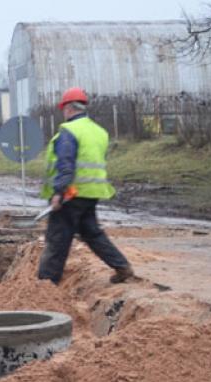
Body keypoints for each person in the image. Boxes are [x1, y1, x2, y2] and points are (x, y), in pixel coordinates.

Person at [38, 87, 134, 285]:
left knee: (57, 241)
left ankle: (44, 286)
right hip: (91, 194)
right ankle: (121, 266)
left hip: (70, 195)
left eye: (63, 109)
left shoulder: (69, 132)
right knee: (92, 233)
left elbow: (66, 165)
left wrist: (59, 192)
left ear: (68, 108)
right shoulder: (99, 132)